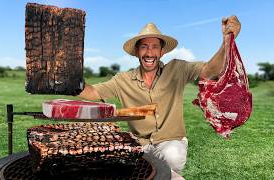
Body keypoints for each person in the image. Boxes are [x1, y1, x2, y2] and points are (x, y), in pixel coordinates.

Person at [78, 15, 241, 174]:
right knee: (127, 166)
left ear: (162, 51)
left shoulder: (178, 69)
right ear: (136, 51)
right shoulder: (123, 80)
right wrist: (69, 81)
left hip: (170, 141)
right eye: (144, 46)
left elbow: (210, 71)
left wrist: (227, 41)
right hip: (140, 143)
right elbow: (93, 92)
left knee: (172, 157)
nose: (149, 53)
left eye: (155, 46)